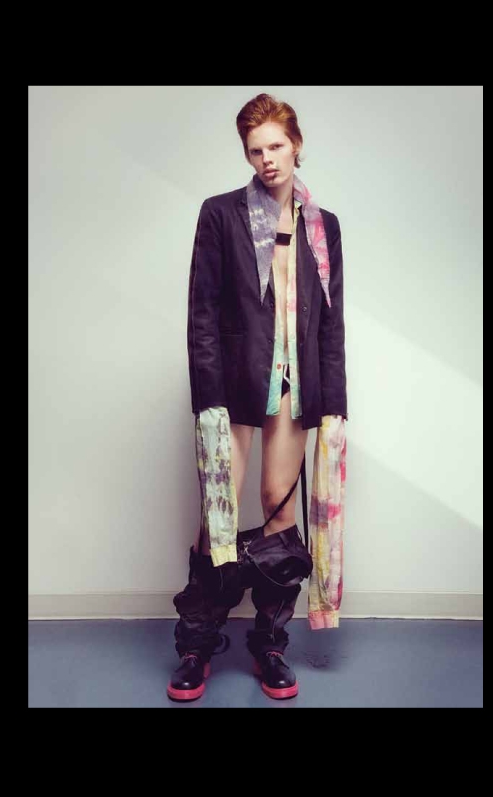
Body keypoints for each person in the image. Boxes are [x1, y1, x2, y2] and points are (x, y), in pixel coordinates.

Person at [168, 93, 347, 702]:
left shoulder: (323, 227)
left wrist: (334, 401)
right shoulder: (221, 214)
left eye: (276, 146)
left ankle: (269, 643)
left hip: (296, 386)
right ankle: (196, 645)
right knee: (217, 515)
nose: (267, 159)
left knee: (277, 507)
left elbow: (331, 323)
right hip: (235, 383)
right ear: (246, 156)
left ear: (297, 146)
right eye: (255, 150)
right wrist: (208, 397)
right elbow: (202, 311)